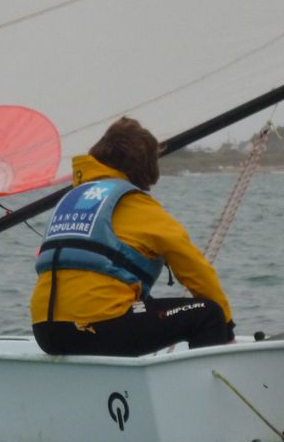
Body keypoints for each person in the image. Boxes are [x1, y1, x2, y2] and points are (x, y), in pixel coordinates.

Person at [30, 117, 235, 356]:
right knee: (209, 314)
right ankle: (210, 379)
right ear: (145, 166)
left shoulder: (72, 199)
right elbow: (195, 269)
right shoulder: (136, 204)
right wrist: (227, 327)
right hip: (97, 329)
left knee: (141, 305)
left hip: (46, 332)